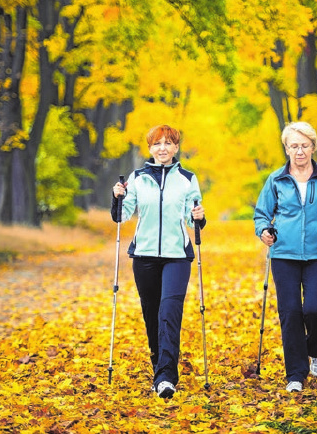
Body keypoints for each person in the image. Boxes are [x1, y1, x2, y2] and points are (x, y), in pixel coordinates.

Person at [111, 124, 206, 399]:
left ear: (176, 148)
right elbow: (122, 215)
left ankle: (166, 377)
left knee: (169, 313)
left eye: (168, 143)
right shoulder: (138, 178)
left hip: (177, 256)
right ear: (150, 148)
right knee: (152, 315)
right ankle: (158, 366)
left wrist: (199, 216)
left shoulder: (188, 179)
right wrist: (117, 197)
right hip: (145, 257)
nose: (163, 148)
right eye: (157, 144)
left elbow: (193, 218)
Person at [254, 121, 317, 393]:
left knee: (314, 309)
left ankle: (316, 351)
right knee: (290, 312)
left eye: (304, 146)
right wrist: (264, 231)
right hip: (283, 253)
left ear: (313, 147)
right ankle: (295, 374)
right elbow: (261, 214)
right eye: (294, 146)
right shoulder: (275, 179)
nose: (299, 151)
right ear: (286, 148)